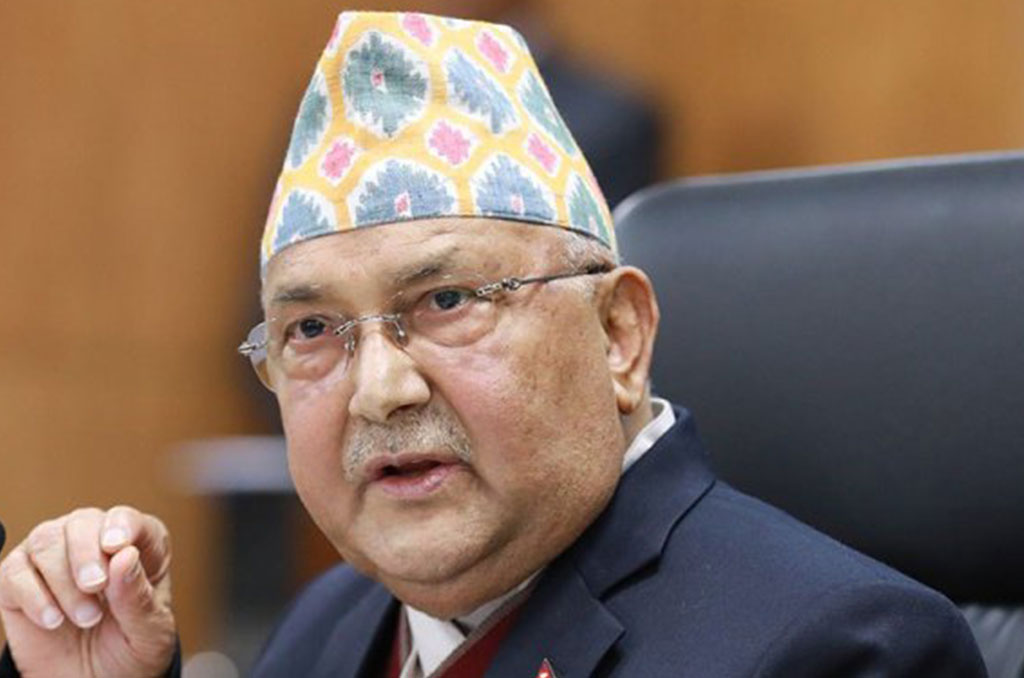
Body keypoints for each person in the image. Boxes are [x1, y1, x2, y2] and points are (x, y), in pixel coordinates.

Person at [0, 11, 986, 678]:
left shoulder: (836, 649)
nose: (380, 389)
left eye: (446, 300)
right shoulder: (328, 624)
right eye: (312, 330)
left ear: (617, 334)